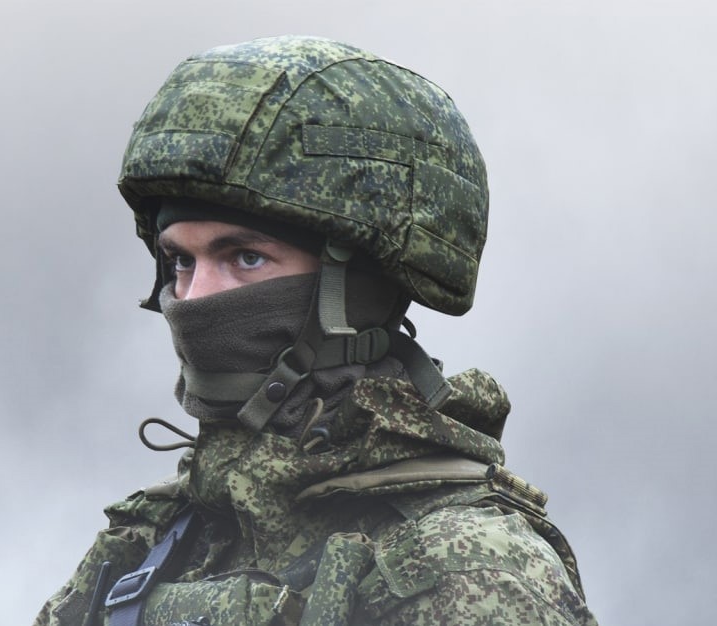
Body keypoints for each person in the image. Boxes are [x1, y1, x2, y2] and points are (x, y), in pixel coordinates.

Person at [34, 35, 598, 625]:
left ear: (357, 289)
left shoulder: (465, 571)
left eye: (245, 257)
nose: (195, 297)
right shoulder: (153, 540)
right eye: (181, 261)